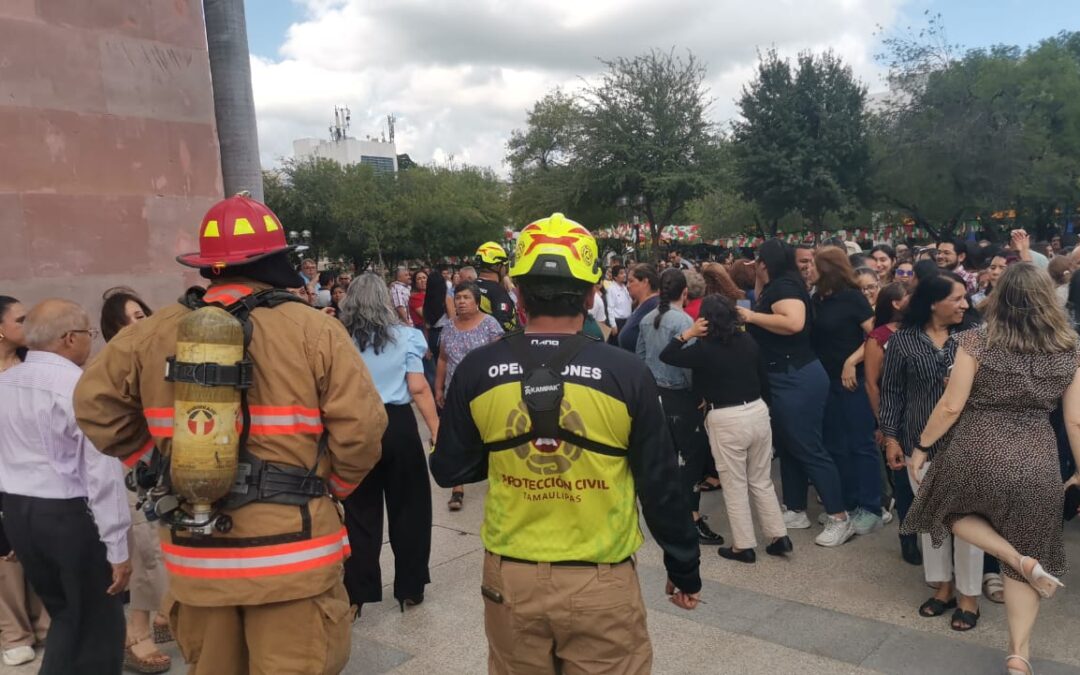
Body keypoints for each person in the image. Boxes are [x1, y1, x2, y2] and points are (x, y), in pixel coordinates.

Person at [73, 194, 388, 675]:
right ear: (274, 260)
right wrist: (329, 488)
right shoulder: (313, 329)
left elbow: (94, 404)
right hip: (294, 557)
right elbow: (363, 430)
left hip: (198, 559)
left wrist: (157, 463)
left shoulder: (153, 331)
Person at [430, 213, 701, 674]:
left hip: (509, 579)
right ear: (592, 294)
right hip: (601, 581)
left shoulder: (477, 369)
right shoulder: (626, 373)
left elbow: (448, 468)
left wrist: (507, 449)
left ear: (517, 293)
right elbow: (659, 481)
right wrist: (683, 566)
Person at [903, 263, 1080, 674]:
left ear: (1000, 299)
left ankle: (1013, 558)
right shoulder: (1070, 349)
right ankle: (1019, 654)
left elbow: (950, 405)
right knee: (1031, 545)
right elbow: (1074, 420)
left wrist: (922, 447)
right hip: (1037, 457)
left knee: (940, 509)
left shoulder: (976, 341)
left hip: (976, 448)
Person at [0, 299, 131, 675]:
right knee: (98, 628)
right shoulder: (78, 387)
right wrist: (118, 546)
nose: (90, 341)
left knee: (66, 618)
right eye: (89, 334)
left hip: (21, 513)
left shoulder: (5, 382)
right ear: (70, 338)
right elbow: (101, 474)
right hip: (69, 516)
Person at [880, 274, 983, 632]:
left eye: (965, 298)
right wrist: (891, 438)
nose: (965, 305)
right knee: (932, 522)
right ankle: (943, 587)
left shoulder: (975, 339)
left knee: (970, 525)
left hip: (968, 444)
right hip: (918, 446)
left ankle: (969, 596)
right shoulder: (903, 341)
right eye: (956, 298)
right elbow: (892, 392)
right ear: (932, 302)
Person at [737, 240, 854, 547]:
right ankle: (796, 508)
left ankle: (839, 516)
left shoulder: (784, 287)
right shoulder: (777, 285)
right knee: (790, 445)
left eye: (757, 263)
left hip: (796, 376)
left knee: (808, 446)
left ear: (765, 263)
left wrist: (749, 317)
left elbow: (793, 322)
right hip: (784, 375)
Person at [660, 295, 792, 563]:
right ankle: (778, 536)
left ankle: (743, 545)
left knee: (734, 483)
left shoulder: (704, 349)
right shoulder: (747, 341)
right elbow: (763, 380)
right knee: (761, 479)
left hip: (726, 416)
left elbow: (667, 355)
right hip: (756, 411)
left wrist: (688, 333)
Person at [339, 274, 439, 615]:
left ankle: (358, 592)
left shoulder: (340, 339)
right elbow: (418, 387)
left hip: (356, 426)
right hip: (397, 424)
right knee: (410, 508)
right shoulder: (408, 337)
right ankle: (410, 587)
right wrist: (436, 428)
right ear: (384, 299)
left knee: (359, 513)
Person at [99, 289, 173, 674]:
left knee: (163, 548)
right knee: (148, 552)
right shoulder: (111, 367)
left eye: (144, 313)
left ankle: (162, 617)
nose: (144, 320)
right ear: (116, 328)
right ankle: (136, 633)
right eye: (135, 316)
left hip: (159, 466)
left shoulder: (157, 358)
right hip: (130, 470)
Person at [637, 269, 724, 545]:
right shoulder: (685, 321)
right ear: (684, 292)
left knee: (667, 456)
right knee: (690, 458)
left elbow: (640, 355)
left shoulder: (647, 319)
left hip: (655, 394)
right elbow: (691, 364)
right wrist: (699, 394)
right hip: (680, 396)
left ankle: (671, 510)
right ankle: (692, 515)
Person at [811, 248, 882, 535]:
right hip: (824, 381)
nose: (808, 270)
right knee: (835, 443)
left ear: (827, 269)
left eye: (813, 266)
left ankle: (871, 507)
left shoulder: (852, 298)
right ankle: (848, 503)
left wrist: (852, 361)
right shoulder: (816, 299)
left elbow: (877, 335)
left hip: (851, 381)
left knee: (861, 444)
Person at [0, 297, 47, 669]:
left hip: (36, 473)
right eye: (20, 319)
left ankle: (45, 624)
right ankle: (14, 634)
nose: (28, 324)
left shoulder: (34, 367)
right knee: (6, 555)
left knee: (39, 546)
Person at [435, 281, 504, 511]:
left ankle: (498, 482)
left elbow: (498, 359)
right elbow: (443, 359)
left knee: (489, 437)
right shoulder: (449, 327)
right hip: (455, 392)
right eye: (458, 298)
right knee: (458, 438)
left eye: (466, 297)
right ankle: (457, 489)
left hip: (484, 390)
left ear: (476, 302)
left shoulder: (490, 324)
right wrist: (438, 388)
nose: (461, 302)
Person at [863, 282, 918, 565]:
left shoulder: (923, 332)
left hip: (926, 415)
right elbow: (872, 385)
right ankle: (907, 537)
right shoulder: (879, 336)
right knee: (903, 483)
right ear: (896, 303)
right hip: (896, 417)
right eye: (908, 293)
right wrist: (884, 425)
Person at [474, 242, 519, 333]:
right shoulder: (498, 292)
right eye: (504, 264)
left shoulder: (468, 286)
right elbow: (503, 325)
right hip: (494, 344)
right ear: (497, 266)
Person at [617, 263, 660, 351]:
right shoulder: (640, 304)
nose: (628, 285)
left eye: (631, 281)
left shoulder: (653, 307)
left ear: (645, 282)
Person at [605, 264, 632, 344]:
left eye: (624, 273)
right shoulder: (611, 289)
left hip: (627, 321)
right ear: (615, 277)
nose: (624, 275)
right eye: (621, 273)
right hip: (618, 323)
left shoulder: (625, 287)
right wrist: (613, 325)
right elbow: (610, 308)